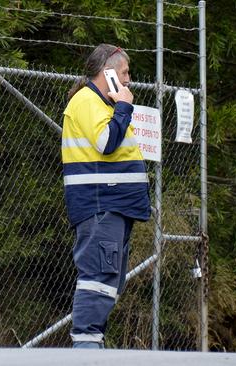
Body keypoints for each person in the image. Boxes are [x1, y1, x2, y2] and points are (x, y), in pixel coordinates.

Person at [62, 44, 151, 349]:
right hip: (102, 205)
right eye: (125, 73)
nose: (129, 80)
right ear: (109, 73)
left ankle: (91, 343)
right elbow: (106, 142)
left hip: (114, 206)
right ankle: (86, 348)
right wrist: (124, 106)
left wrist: (119, 107)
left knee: (108, 281)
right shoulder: (87, 101)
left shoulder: (103, 104)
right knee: (98, 278)